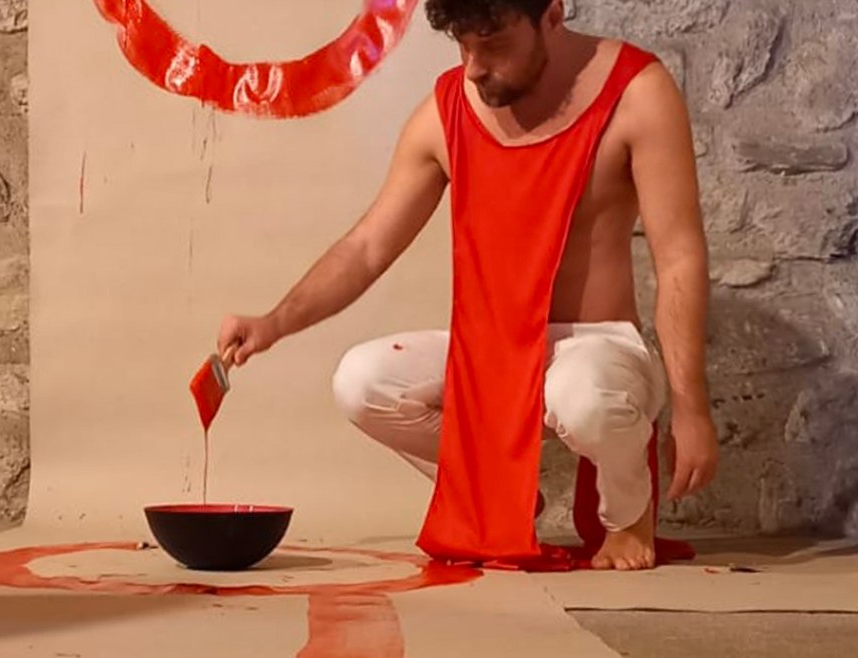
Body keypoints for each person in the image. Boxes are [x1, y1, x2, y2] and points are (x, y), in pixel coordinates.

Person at [216, 0, 719, 571]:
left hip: (597, 347)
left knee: (584, 400)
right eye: (463, 45)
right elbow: (368, 246)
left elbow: (678, 256)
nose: (474, 67)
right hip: (490, 355)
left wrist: (691, 409)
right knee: (361, 381)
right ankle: (499, 494)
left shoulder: (637, 93)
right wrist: (275, 322)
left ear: (552, 16)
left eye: (494, 44)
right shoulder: (444, 111)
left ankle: (626, 517)